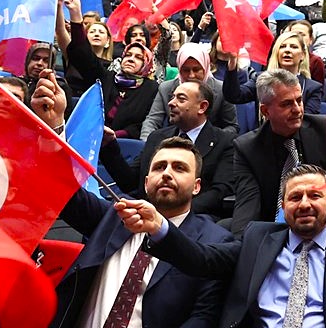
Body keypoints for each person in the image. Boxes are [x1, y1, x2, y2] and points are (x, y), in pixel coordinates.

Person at [117, 165, 326, 327]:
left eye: (315, 195)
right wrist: (159, 227)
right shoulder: (257, 237)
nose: (305, 204)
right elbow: (202, 259)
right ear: (283, 206)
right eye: (295, 197)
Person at [52, 135, 234, 328]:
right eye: (159, 167)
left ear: (197, 187)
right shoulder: (117, 212)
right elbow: (64, 191)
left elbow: (203, 317)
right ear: (146, 183)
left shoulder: (214, 240)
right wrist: (55, 130)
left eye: (179, 168)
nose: (166, 174)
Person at [99, 80, 236, 218]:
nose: (171, 103)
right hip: (146, 218)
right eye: (172, 97)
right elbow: (131, 183)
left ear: (202, 107)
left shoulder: (225, 142)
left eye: (181, 99)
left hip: (194, 222)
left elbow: (219, 193)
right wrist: (109, 146)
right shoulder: (157, 138)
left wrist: (173, 213)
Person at [230, 69, 326, 235]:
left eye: (299, 101)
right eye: (287, 104)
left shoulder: (324, 131)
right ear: (265, 111)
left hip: (323, 223)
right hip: (272, 229)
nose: (297, 109)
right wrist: (242, 246)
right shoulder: (247, 148)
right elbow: (248, 205)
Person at [67, 14, 160, 140]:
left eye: (138, 58)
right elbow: (82, 55)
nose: (131, 59)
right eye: (128, 55)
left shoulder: (151, 88)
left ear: (147, 65)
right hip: (90, 137)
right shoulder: (107, 77)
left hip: (123, 144)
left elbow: (143, 124)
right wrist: (76, 15)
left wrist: (116, 135)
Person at [141, 42, 238, 140]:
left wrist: (212, 140)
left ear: (205, 68)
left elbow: (232, 127)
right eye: (186, 70)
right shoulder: (166, 88)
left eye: (196, 70)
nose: (191, 76)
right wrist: (147, 144)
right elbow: (152, 120)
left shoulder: (221, 89)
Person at [224, 31, 324, 114]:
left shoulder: (312, 88)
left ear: (302, 55)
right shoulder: (261, 79)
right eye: (283, 46)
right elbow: (234, 96)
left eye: (293, 47)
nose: (287, 50)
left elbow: (307, 122)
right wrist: (233, 61)